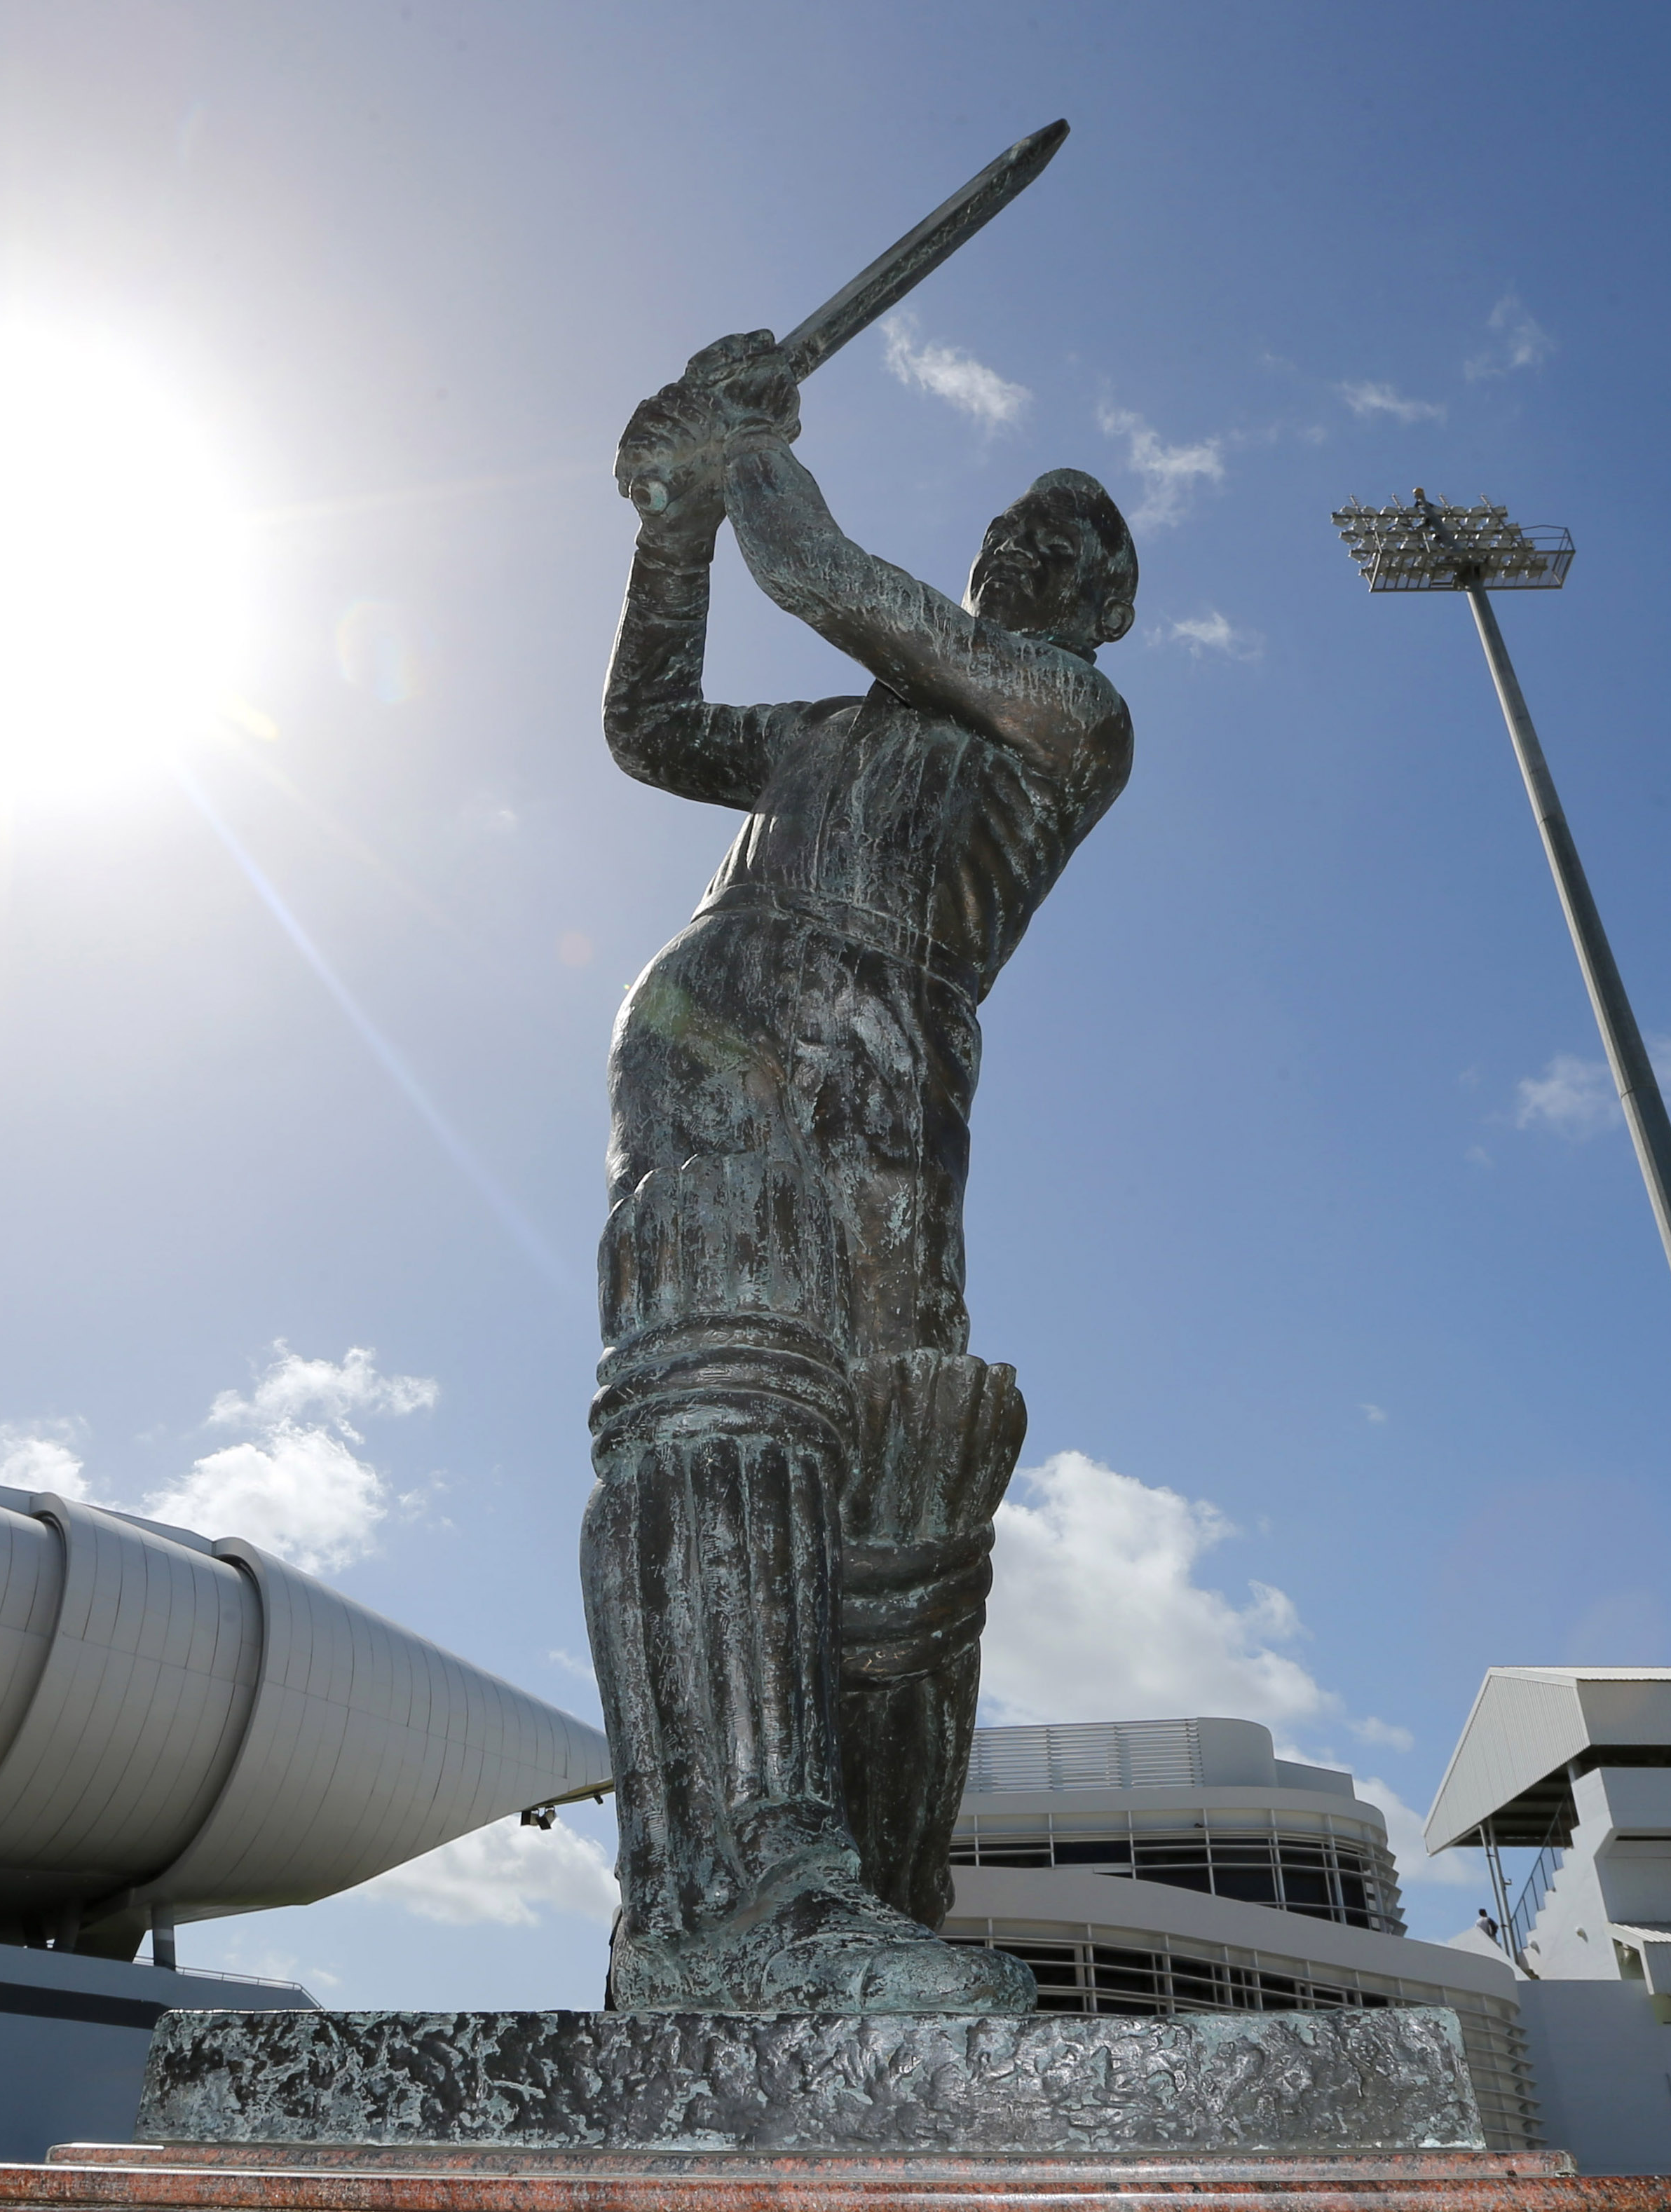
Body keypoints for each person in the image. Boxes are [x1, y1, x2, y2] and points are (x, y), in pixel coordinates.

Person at [583, 330, 1135, 2011]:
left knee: (906, 1475)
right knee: (720, 1399)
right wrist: (668, 527)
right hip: (720, 1012)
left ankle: (861, 1911)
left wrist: (739, 455)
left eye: (1071, 544)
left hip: (893, 1054)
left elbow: (821, 570)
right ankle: (726, 1898)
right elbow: (653, 726)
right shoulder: (835, 729)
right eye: (1013, 532)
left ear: (1107, 607)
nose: (1027, 550)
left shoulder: (1068, 713)